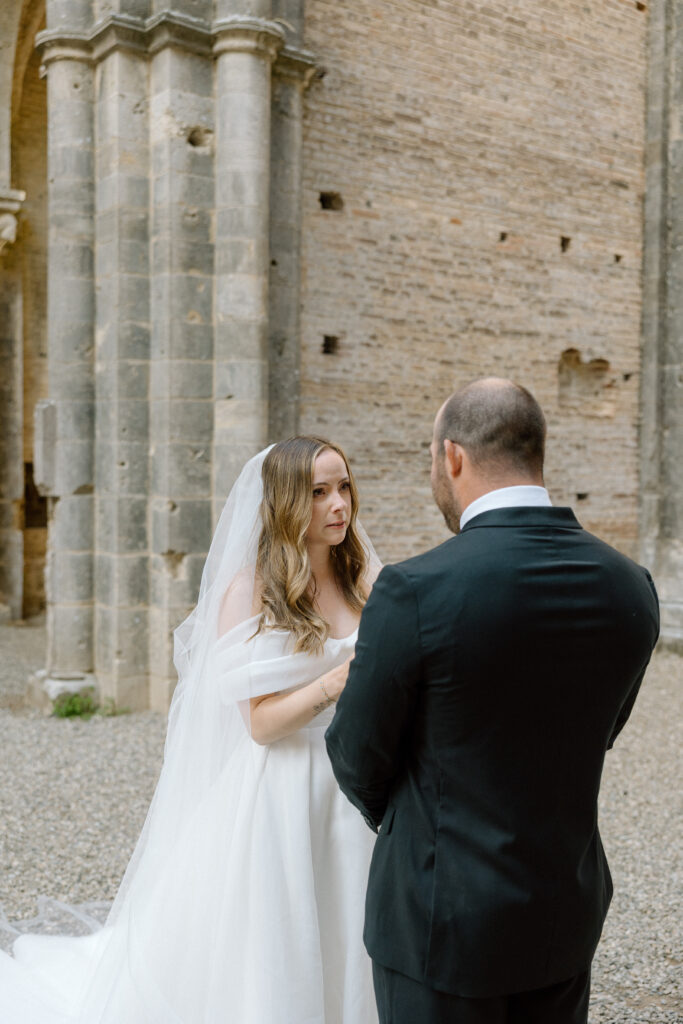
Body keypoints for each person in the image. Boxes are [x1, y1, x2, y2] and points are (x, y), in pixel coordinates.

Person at [0, 437, 380, 1023]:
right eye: (319, 493)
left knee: (349, 922)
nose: (339, 506)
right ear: (284, 502)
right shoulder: (251, 591)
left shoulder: (363, 579)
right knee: (281, 936)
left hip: (354, 781)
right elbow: (259, 724)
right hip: (282, 787)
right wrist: (336, 683)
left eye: (344, 487)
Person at [326, 378, 660, 1024]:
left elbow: (356, 754)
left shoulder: (414, 589)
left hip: (439, 922)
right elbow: (600, 728)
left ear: (451, 457)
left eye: (430, 460)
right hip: (563, 907)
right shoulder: (629, 586)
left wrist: (420, 825)